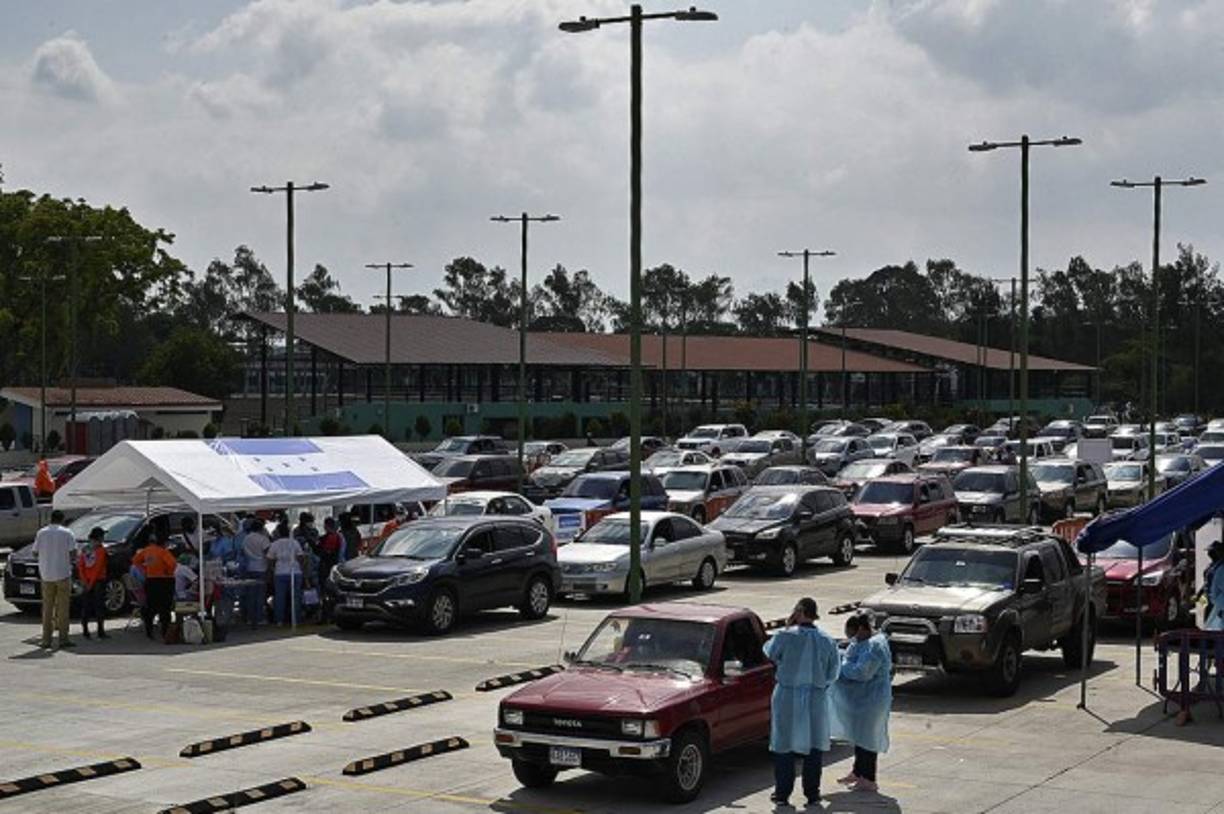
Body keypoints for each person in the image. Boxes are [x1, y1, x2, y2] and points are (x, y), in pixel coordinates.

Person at [763, 597, 840, 807]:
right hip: (815, 698)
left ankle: (782, 793)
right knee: (814, 746)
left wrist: (788, 625)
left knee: (784, 745)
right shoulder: (826, 640)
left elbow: (770, 652)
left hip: (787, 696)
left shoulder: (785, 636)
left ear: (800, 611)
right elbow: (834, 671)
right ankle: (812, 794)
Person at [831, 611, 893, 793]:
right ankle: (858, 772)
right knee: (859, 737)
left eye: (854, 634)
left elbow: (862, 672)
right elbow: (850, 656)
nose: (853, 639)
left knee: (868, 739)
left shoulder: (875, 646)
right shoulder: (861, 642)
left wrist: (841, 666)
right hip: (861, 699)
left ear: (862, 628)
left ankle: (869, 778)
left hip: (872, 700)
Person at [32, 509, 76, 649]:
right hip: (63, 574)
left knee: (47, 608)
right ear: (62, 519)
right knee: (63, 608)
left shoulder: (41, 532)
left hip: (46, 575)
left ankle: (46, 640)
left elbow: (34, 552)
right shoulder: (67, 533)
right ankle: (63, 639)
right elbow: (73, 553)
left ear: (51, 519)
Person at [130, 530, 177, 640]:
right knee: (165, 608)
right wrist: (168, 572)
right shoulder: (164, 552)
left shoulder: (146, 551)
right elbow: (173, 564)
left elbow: (135, 560)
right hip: (165, 581)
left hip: (150, 580)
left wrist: (144, 569)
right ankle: (165, 631)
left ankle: (149, 630)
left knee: (151, 607)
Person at [267, 525, 305, 625]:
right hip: (295, 571)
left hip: (279, 572)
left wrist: (272, 570)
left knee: (280, 597)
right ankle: (296, 619)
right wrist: (303, 570)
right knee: (296, 597)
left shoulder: (275, 544)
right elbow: (301, 557)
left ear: (278, 533)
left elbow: (270, 559)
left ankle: (279, 619)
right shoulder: (295, 542)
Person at [77, 526, 110, 640]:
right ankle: (100, 631)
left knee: (86, 606)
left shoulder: (85, 549)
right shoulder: (101, 550)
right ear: (99, 537)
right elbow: (98, 568)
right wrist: (91, 583)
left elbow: (80, 566)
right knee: (99, 607)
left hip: (86, 581)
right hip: (98, 581)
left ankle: (85, 631)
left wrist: (84, 581)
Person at [240, 518, 272, 626]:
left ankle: (250, 618)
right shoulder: (263, 539)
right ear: (261, 528)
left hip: (250, 567)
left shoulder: (245, 539)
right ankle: (259, 618)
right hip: (262, 568)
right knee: (260, 595)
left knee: (251, 595)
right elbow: (268, 554)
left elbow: (243, 552)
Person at [1203, 541, 1224, 630]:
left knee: (1216, 629)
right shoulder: (1211, 566)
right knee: (1208, 628)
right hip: (1210, 602)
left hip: (1219, 605)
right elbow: (1207, 583)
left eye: (1212, 552)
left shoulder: (1221, 568)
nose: (1209, 554)